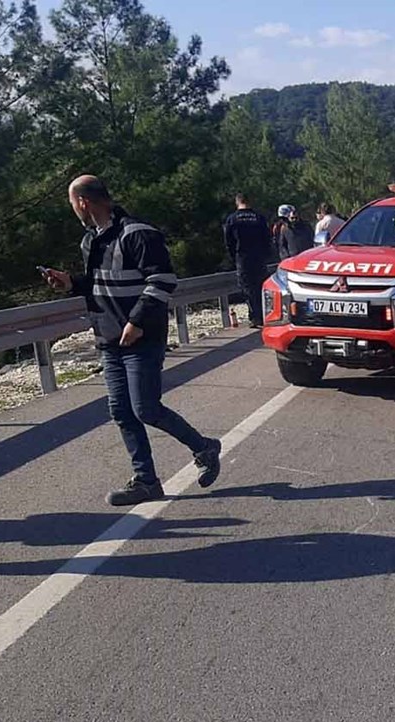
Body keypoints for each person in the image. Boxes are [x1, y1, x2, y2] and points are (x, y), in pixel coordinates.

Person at [43, 175, 222, 506]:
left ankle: (204, 447)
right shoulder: (91, 241)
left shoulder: (138, 233)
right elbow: (98, 284)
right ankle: (146, 481)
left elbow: (163, 280)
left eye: (71, 203)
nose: (72, 210)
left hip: (142, 338)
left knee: (146, 408)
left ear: (83, 202)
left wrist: (137, 322)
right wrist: (71, 283)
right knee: (122, 411)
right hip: (109, 339)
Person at [223, 193, 273, 327]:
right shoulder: (259, 217)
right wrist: (266, 255)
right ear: (250, 202)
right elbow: (267, 238)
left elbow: (228, 241)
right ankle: (264, 315)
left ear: (237, 202)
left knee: (247, 288)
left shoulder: (232, 219)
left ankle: (255, 317)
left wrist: (234, 257)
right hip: (259, 258)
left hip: (243, 258)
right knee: (261, 286)